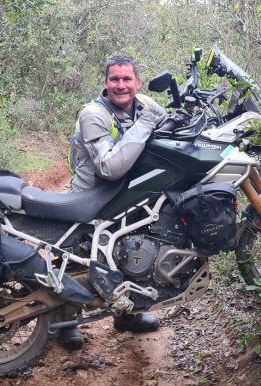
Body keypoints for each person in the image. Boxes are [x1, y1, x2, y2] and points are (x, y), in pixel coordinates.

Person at [60, 55, 166, 350]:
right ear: (105, 83)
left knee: (134, 249)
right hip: (91, 196)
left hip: (128, 194)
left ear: (138, 82)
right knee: (77, 258)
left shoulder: (143, 104)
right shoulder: (94, 114)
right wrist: (147, 122)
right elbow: (109, 168)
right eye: (114, 79)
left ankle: (129, 315)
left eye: (127, 79)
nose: (121, 85)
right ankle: (66, 321)